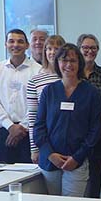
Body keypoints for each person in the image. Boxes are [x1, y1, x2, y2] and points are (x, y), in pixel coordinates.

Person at [34, 43, 101, 197]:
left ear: (80, 64)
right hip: (50, 161)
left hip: (77, 162)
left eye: (73, 61)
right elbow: (39, 127)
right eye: (64, 60)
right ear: (57, 63)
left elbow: (95, 130)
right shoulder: (49, 91)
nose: (68, 65)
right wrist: (50, 155)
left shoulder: (90, 92)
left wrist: (77, 157)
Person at [0, 29, 41, 164]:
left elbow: (39, 103)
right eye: (11, 41)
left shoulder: (38, 70)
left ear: (27, 45)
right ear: (6, 44)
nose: (15, 45)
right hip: (5, 130)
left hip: (30, 131)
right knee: (5, 174)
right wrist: (10, 126)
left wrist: (22, 127)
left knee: (30, 176)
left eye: (20, 41)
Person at [77, 34, 101, 198]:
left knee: (94, 183)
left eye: (93, 48)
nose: (90, 51)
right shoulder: (72, 74)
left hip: (97, 138)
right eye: (85, 48)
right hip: (75, 138)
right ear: (79, 49)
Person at [26, 34, 65, 164]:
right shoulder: (35, 80)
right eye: (49, 48)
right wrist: (34, 148)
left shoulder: (70, 78)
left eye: (57, 48)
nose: (52, 52)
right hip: (45, 143)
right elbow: (32, 116)